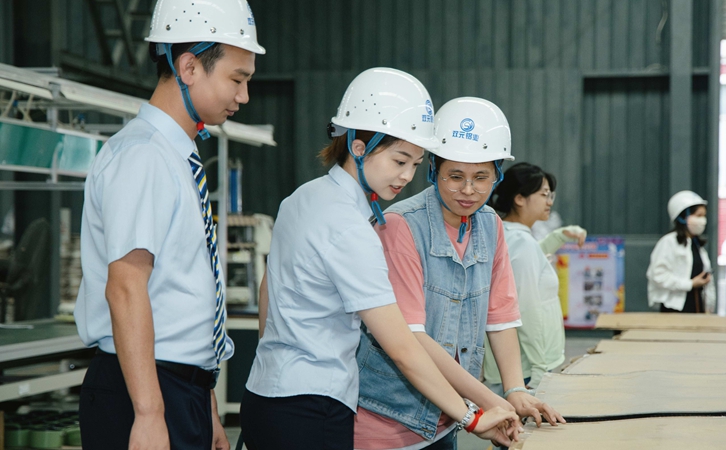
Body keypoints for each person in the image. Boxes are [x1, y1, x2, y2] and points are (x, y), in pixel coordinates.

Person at [241, 69, 520, 450]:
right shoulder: (355, 227)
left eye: (415, 164)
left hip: (266, 395)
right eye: (399, 160)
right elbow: (403, 347)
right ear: (358, 146)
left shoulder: (303, 198)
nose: (406, 176)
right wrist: (472, 416)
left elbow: (267, 289)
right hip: (314, 407)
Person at [74, 1, 264, 448]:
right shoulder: (144, 156)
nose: (244, 96)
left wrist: (206, 402)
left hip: (177, 387)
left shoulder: (177, 156)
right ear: (189, 66)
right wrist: (149, 412)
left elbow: (184, 296)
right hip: (141, 387)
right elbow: (126, 285)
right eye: (237, 79)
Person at [354, 97, 565, 450]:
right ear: (433, 169)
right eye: (455, 176)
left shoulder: (491, 225)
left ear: (497, 175)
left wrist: (515, 389)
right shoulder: (401, 226)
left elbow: (500, 314)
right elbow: (413, 338)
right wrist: (491, 403)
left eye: (481, 177)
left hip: (446, 419)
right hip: (388, 420)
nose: (468, 190)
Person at [483, 163, 586, 399]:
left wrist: (559, 237)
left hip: (522, 365)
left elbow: (530, 263)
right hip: (528, 370)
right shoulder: (522, 243)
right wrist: (540, 368)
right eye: (543, 194)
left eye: (551, 195)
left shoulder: (510, 234)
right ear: (520, 198)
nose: (549, 201)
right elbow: (526, 309)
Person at [647, 190, 717, 313]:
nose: (703, 220)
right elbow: (658, 275)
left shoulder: (697, 246)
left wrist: (709, 306)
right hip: (675, 309)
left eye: (704, 216)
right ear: (683, 216)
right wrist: (689, 284)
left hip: (697, 308)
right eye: (698, 215)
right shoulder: (669, 242)